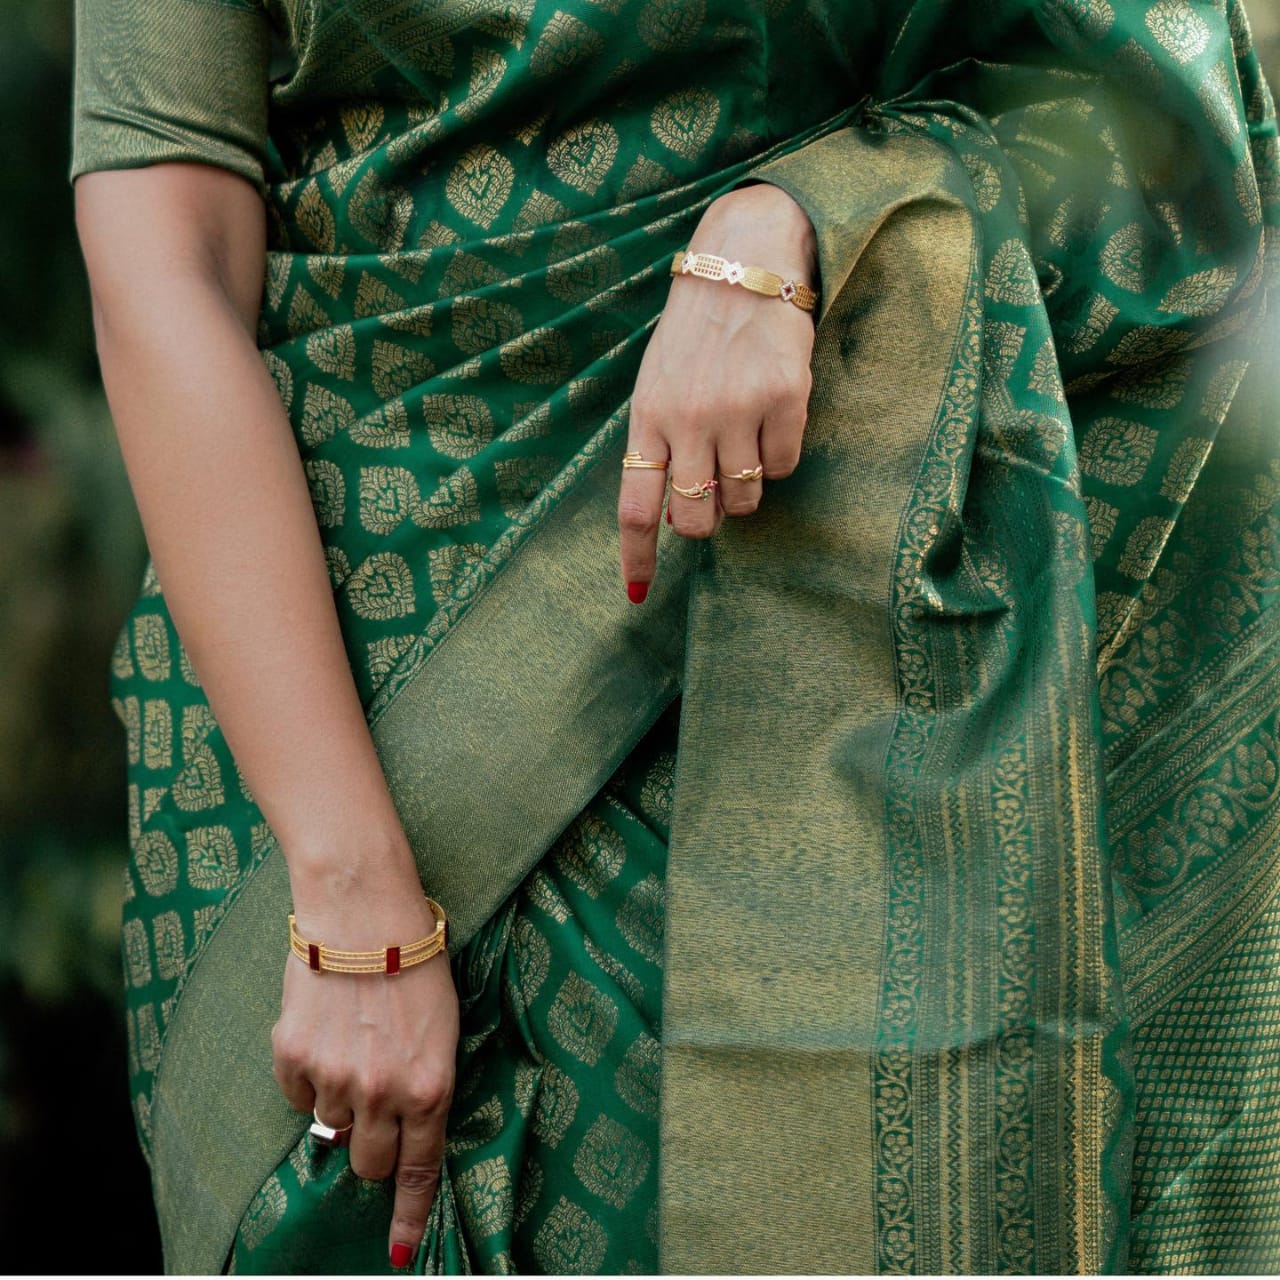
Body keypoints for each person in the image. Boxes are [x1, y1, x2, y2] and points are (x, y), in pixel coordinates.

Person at [70, 0, 1279, 1272]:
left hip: (824, 629)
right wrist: (348, 887)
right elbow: (167, 265)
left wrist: (815, 213)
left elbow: (1155, 130)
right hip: (330, 679)